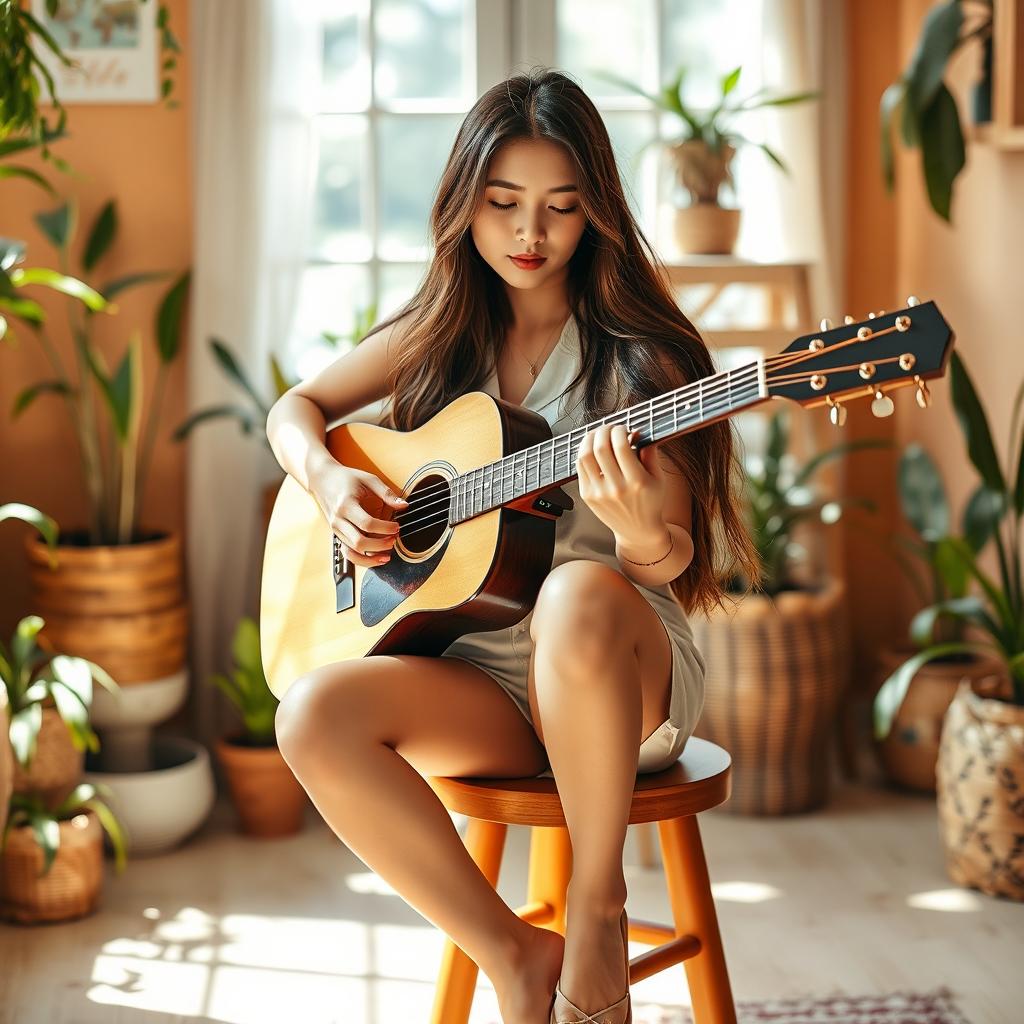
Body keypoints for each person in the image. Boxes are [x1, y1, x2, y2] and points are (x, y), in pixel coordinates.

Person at [266, 67, 759, 1024]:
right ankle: (515, 954)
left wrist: (638, 531)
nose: (531, 235)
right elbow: (297, 410)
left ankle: (597, 905)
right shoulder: (445, 330)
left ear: (596, 215)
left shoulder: (646, 360)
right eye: (503, 205)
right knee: (312, 715)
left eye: (561, 208)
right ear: (465, 203)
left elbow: (672, 567)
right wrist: (330, 483)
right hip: (489, 679)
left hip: (624, 675)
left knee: (579, 589)